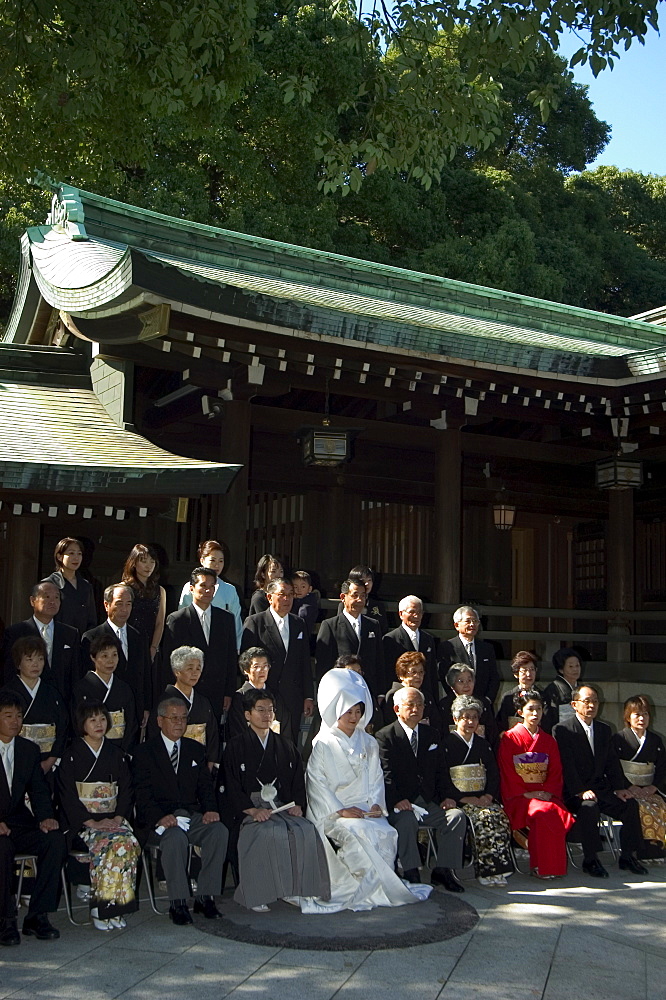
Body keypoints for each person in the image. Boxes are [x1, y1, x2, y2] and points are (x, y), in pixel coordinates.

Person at [304, 668, 431, 912]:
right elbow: (316, 782)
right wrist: (341, 810)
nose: (353, 717)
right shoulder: (323, 742)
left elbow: (376, 778)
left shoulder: (369, 742)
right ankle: (357, 887)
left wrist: (375, 804)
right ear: (337, 712)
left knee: (384, 831)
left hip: (364, 807)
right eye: (348, 711)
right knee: (360, 832)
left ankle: (380, 886)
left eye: (358, 711)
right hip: (336, 811)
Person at [223, 688, 330, 912]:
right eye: (260, 710)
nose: (266, 715)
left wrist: (297, 804)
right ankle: (258, 892)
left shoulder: (285, 745)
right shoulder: (235, 746)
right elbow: (230, 784)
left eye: (270, 710)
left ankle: (298, 888)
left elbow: (297, 780)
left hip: (280, 805)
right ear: (247, 715)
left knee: (305, 829)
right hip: (249, 808)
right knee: (267, 832)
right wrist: (251, 810)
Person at [132, 695, 229, 925]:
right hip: (158, 820)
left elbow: (205, 787)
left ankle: (205, 896)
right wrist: (160, 817)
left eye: (184, 718)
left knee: (218, 831)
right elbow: (141, 794)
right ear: (159, 721)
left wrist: (210, 810)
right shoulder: (145, 752)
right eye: (173, 718)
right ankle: (178, 902)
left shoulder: (195, 749)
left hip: (189, 815)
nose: (179, 722)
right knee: (174, 837)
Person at [56, 701, 140, 930]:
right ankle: (100, 907)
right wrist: (91, 821)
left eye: (102, 718)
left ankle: (115, 908)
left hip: (113, 819)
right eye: (92, 720)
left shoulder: (116, 754)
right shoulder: (71, 755)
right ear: (82, 724)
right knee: (110, 844)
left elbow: (126, 790)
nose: (99, 724)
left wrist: (118, 818)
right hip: (83, 823)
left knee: (128, 842)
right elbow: (66, 795)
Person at [376, 686, 466, 892]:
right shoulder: (385, 736)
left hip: (427, 801)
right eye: (411, 705)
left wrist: (447, 797)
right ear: (397, 709)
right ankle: (411, 870)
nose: (416, 709)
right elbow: (385, 774)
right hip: (400, 803)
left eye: (420, 705)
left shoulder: (431, 734)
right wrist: (397, 800)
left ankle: (443, 869)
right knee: (406, 821)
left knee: (455, 817)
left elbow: (441, 771)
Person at [555, 684, 648, 878]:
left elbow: (612, 764)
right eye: (587, 701)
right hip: (574, 791)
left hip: (601, 788)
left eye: (595, 701)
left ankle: (628, 856)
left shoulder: (605, 729)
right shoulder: (563, 730)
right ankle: (590, 859)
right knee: (589, 807)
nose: (592, 706)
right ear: (574, 704)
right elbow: (567, 766)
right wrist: (580, 791)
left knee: (629, 804)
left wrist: (619, 789)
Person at [0, 691, 66, 946]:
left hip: (18, 822)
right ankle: (5, 920)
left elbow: (38, 791)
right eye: (8, 716)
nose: (15, 721)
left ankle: (38, 915)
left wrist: (46, 817)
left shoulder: (28, 749)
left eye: (19, 716)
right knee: (2, 848)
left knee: (54, 840)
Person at [498, 689, 574, 879]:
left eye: (538, 709)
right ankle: (541, 866)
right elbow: (507, 771)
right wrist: (527, 794)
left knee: (554, 811)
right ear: (520, 711)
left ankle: (553, 866)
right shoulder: (509, 738)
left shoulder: (548, 740)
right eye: (530, 709)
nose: (535, 714)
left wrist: (548, 791)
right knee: (543, 812)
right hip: (520, 796)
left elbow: (556, 771)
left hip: (545, 793)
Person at [442, 695, 513, 885]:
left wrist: (489, 794)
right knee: (484, 819)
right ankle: (486, 870)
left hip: (483, 798)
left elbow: (493, 773)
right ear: (456, 719)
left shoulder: (482, 744)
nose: (471, 721)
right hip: (460, 800)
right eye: (465, 717)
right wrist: (465, 799)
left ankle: (500, 869)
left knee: (498, 816)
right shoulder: (446, 744)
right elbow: (442, 777)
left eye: (474, 717)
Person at [240, 579, 314, 744]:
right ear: (269, 597)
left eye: (290, 595)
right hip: (264, 694)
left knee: (290, 743)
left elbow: (304, 662)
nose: (287, 599)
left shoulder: (298, 623)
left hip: (293, 694)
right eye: (282, 595)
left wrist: (308, 695)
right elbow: (245, 661)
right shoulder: (255, 622)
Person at [163, 568, 237, 721]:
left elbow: (230, 657)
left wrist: (228, 692)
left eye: (212, 586)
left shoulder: (226, 619)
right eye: (203, 586)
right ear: (191, 588)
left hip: (216, 691)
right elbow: (168, 661)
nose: (208, 590)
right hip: (187, 690)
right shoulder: (177, 620)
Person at [81, 584, 151, 723]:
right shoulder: (92, 637)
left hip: (133, 708)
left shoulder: (139, 636)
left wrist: (146, 707)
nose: (124, 609)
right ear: (107, 605)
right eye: (119, 604)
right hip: (102, 710)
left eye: (128, 604)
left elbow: (146, 673)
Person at [2, 581, 79, 703]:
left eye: (56, 597)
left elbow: (75, 674)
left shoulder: (70, 633)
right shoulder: (15, 633)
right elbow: (8, 672)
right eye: (47, 597)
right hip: (25, 701)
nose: (52, 601)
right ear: (33, 601)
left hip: (61, 703)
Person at [1, 636, 67, 778]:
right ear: (18, 664)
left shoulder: (52, 693)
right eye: (29, 660)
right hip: (14, 758)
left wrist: (51, 760)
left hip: (47, 760)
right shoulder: (7, 693)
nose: (35, 664)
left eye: (40, 659)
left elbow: (62, 729)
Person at [612, 695, 666, 859]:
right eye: (637, 714)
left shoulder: (655, 740)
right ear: (628, 717)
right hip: (627, 788)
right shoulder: (619, 739)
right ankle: (643, 852)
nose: (642, 718)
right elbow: (612, 767)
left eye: (646, 714)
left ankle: (659, 851)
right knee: (641, 809)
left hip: (650, 789)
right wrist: (628, 785)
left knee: (660, 806)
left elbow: (663, 767)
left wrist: (654, 787)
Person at [316, 578, 385, 701]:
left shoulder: (373, 625)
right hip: (341, 691)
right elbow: (323, 664)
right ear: (343, 597)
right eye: (355, 595)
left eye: (363, 596)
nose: (359, 600)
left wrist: (380, 693)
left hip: (368, 691)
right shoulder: (330, 625)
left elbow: (379, 660)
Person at [151, 646, 220, 766]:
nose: (195, 673)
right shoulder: (164, 700)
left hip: (200, 760)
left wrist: (210, 762)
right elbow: (154, 733)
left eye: (198, 669)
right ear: (177, 671)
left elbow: (212, 734)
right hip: (172, 760)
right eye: (190, 668)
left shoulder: (203, 702)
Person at [73, 634, 139, 753]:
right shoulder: (81, 688)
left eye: (114, 655)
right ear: (93, 658)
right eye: (104, 656)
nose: (110, 660)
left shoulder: (124, 688)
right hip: (91, 748)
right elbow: (77, 723)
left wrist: (124, 751)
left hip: (120, 749)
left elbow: (131, 724)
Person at [178, 540, 243, 649]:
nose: (217, 565)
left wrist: (237, 649)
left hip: (221, 645)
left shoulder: (230, 590)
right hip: (193, 645)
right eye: (212, 560)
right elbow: (182, 618)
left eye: (221, 561)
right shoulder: (189, 588)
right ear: (202, 560)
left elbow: (236, 624)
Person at [383, 595, 440, 712]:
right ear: (400, 614)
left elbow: (432, 672)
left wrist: (434, 697)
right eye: (412, 612)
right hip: (403, 697)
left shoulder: (428, 639)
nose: (416, 616)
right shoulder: (390, 639)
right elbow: (387, 672)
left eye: (420, 612)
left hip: (425, 695)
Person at [438, 606, 500, 704]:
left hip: (482, 703)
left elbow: (494, 677)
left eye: (475, 621)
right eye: (468, 621)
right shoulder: (447, 647)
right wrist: (457, 699)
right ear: (457, 625)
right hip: (458, 704)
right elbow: (445, 677)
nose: (472, 624)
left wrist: (488, 699)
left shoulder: (487, 648)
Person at [228, 647, 291, 740]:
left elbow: (285, 725)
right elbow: (237, 730)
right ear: (246, 670)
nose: (262, 670)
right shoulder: (240, 697)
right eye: (256, 666)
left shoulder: (275, 695)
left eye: (265, 666)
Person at [122, 543, 166, 667]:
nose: (148, 566)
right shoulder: (124, 588)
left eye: (152, 562)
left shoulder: (160, 590)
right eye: (144, 561)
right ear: (134, 563)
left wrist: (153, 648)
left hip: (151, 644)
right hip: (128, 642)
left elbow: (160, 623)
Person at [45, 536, 97, 635]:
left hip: (81, 640)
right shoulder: (49, 584)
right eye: (71, 553)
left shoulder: (86, 586)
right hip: (57, 637)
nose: (76, 558)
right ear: (59, 556)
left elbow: (92, 619)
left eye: (79, 554)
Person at [440, 664, 499, 747]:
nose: (466, 685)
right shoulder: (444, 705)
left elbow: (492, 733)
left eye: (469, 680)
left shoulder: (483, 703)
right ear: (452, 685)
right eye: (461, 681)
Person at [383, 650, 443, 732]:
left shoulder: (426, 695)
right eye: (413, 672)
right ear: (401, 675)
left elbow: (437, 722)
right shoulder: (393, 695)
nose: (418, 676)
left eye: (421, 672)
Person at [496, 651, 543, 733]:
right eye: (524, 670)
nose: (529, 674)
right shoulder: (508, 697)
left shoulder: (543, 695)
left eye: (532, 669)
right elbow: (501, 722)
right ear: (516, 673)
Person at [337, 565, 390, 635]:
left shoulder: (378, 605)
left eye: (369, 580)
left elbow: (383, 630)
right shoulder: (345, 604)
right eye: (363, 580)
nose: (367, 583)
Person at [542, 648, 582, 727]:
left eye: (577, 665)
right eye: (570, 666)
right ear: (561, 669)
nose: (575, 669)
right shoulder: (553, 690)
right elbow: (548, 719)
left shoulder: (582, 689)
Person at [290, 570, 320, 637]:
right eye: (295, 587)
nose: (299, 590)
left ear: (309, 589)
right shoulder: (290, 600)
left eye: (303, 587)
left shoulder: (309, 605)